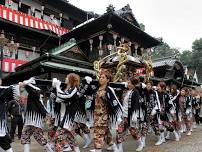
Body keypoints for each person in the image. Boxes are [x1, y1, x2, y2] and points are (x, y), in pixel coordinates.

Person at [89, 70, 122, 152]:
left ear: (108, 80)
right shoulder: (98, 89)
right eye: (100, 77)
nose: (100, 79)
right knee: (106, 134)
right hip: (96, 115)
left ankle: (98, 149)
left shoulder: (109, 89)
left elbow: (115, 102)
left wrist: (118, 116)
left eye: (103, 77)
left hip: (104, 116)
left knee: (98, 134)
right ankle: (115, 148)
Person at [20, 77, 53, 152]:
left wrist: (27, 82)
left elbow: (27, 86)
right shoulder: (34, 91)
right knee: (25, 135)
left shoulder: (36, 91)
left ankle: (50, 150)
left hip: (36, 119)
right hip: (29, 119)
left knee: (39, 136)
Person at [52, 73, 82, 152]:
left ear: (71, 80)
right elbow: (62, 97)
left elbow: (66, 97)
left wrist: (58, 86)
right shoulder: (68, 89)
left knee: (57, 138)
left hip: (69, 119)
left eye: (67, 77)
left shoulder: (74, 89)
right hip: (65, 117)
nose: (65, 78)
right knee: (71, 140)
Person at [116, 77, 146, 152]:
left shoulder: (135, 92)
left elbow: (136, 104)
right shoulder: (125, 91)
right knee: (119, 131)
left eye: (129, 83)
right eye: (127, 82)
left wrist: (135, 115)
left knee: (133, 132)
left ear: (133, 84)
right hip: (123, 115)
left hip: (130, 115)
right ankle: (120, 148)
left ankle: (141, 144)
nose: (128, 84)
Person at [0, 80, 23, 152]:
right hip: (13, 116)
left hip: (19, 116)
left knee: (20, 126)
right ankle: (12, 137)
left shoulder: (19, 103)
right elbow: (7, 108)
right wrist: (10, 114)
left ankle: (19, 136)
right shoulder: (12, 101)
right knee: (12, 128)